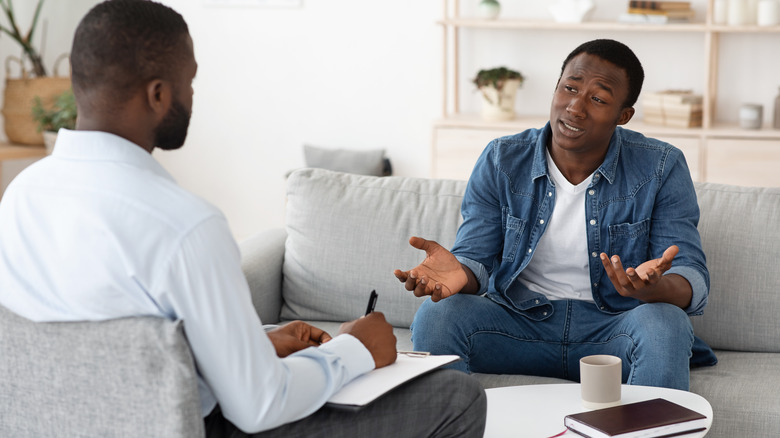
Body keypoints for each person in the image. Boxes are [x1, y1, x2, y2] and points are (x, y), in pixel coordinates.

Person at [0, 1, 486, 437]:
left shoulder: (20, 197)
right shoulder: (184, 226)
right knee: (457, 398)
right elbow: (258, 406)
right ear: (157, 94)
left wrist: (248, 344)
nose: (192, 95)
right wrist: (355, 350)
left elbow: (106, 349)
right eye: (189, 81)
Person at [395, 39, 716, 391]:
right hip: (518, 325)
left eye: (598, 99)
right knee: (439, 315)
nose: (575, 107)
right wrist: (460, 273)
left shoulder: (661, 166)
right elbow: (476, 259)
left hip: (613, 330)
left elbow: (690, 275)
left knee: (666, 323)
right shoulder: (502, 159)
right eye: (570, 88)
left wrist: (653, 288)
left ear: (623, 115)